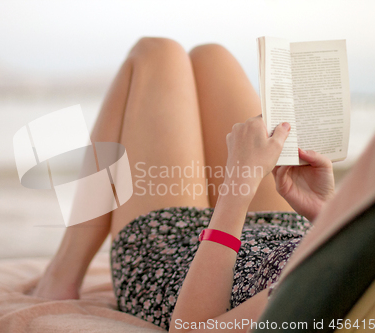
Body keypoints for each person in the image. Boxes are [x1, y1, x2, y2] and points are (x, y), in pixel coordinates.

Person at [31, 37, 336, 332]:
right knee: (211, 55)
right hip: (281, 233)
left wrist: (239, 184)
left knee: (154, 52)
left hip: (176, 261)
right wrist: (325, 214)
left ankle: (62, 273)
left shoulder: (328, 290)